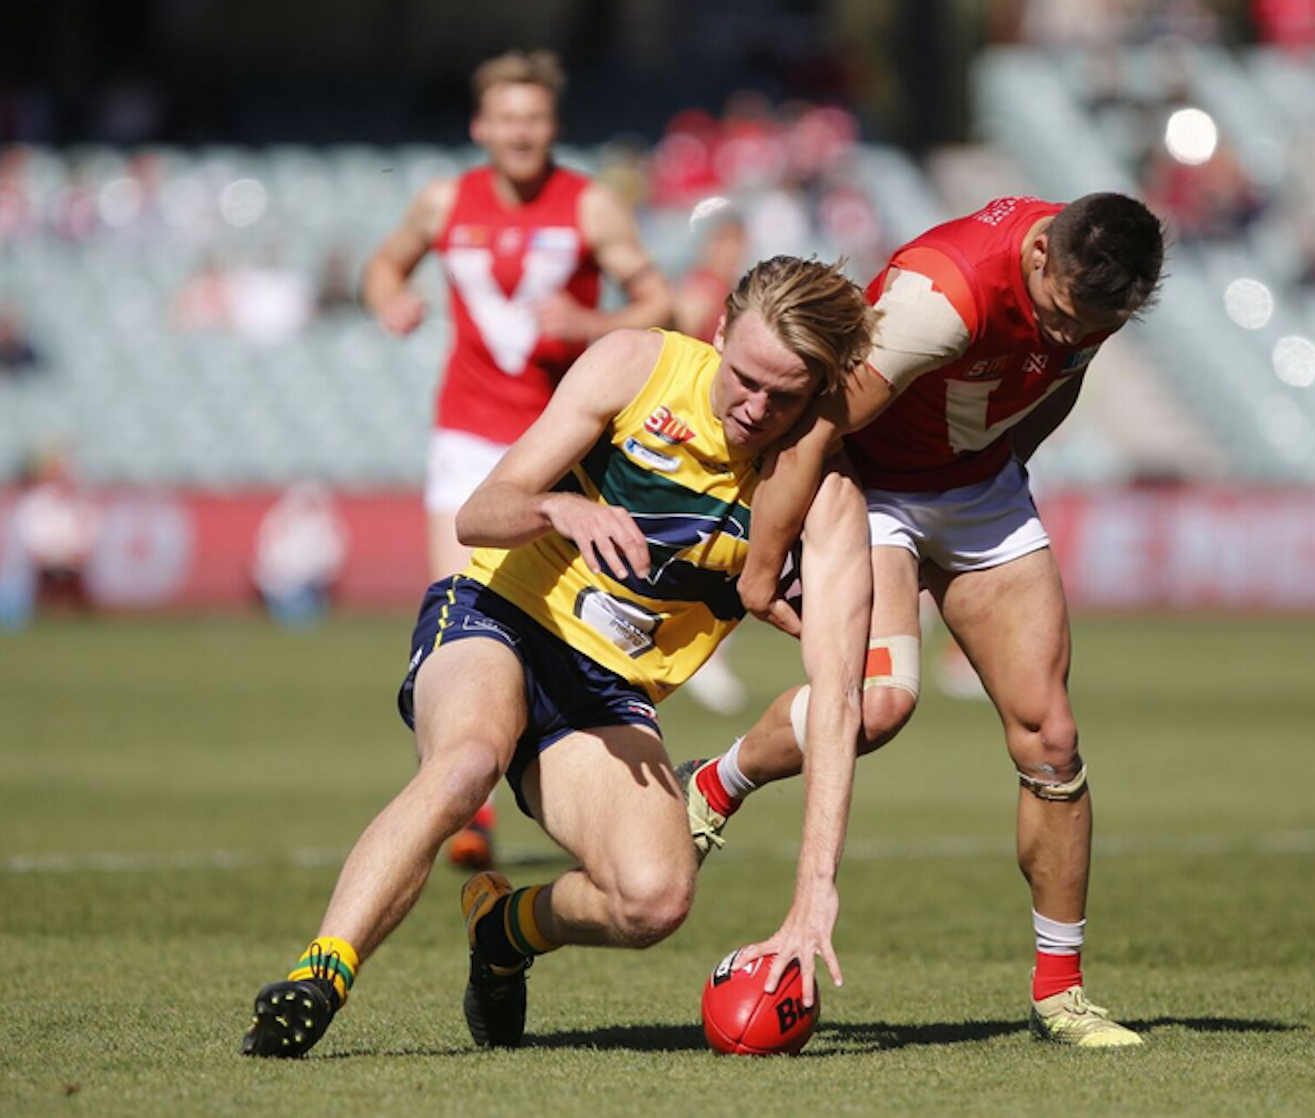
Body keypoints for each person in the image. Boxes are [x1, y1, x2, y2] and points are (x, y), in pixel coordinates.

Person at [240, 255, 876, 1058]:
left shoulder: (825, 495)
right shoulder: (637, 365)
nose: (754, 409)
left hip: (606, 693)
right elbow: (480, 513)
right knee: (466, 762)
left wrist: (813, 894)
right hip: (501, 615)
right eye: (744, 379)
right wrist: (558, 509)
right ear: (718, 332)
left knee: (653, 899)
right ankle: (318, 978)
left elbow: (837, 698)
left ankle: (502, 930)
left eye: (782, 397)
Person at [681, 194, 1166, 1048]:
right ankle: (717, 784)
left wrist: (1005, 472)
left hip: (978, 490)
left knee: (1051, 740)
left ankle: (1060, 994)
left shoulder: (1094, 287)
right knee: (878, 706)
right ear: (1039, 254)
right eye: (1059, 316)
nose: (1067, 334)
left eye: (1088, 326)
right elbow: (813, 430)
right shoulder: (941, 298)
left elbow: (1057, 377)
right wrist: (761, 570)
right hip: (873, 490)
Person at [361, 50, 673, 870]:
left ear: (551, 125)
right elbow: (384, 263)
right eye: (506, 118)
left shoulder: (590, 205)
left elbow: (658, 303)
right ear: (480, 126)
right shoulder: (443, 200)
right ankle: (466, 802)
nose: (520, 133)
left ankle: (578, 776)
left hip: (561, 442)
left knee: (567, 618)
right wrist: (390, 298)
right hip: (465, 435)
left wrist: (586, 324)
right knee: (453, 608)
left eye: (533, 118)